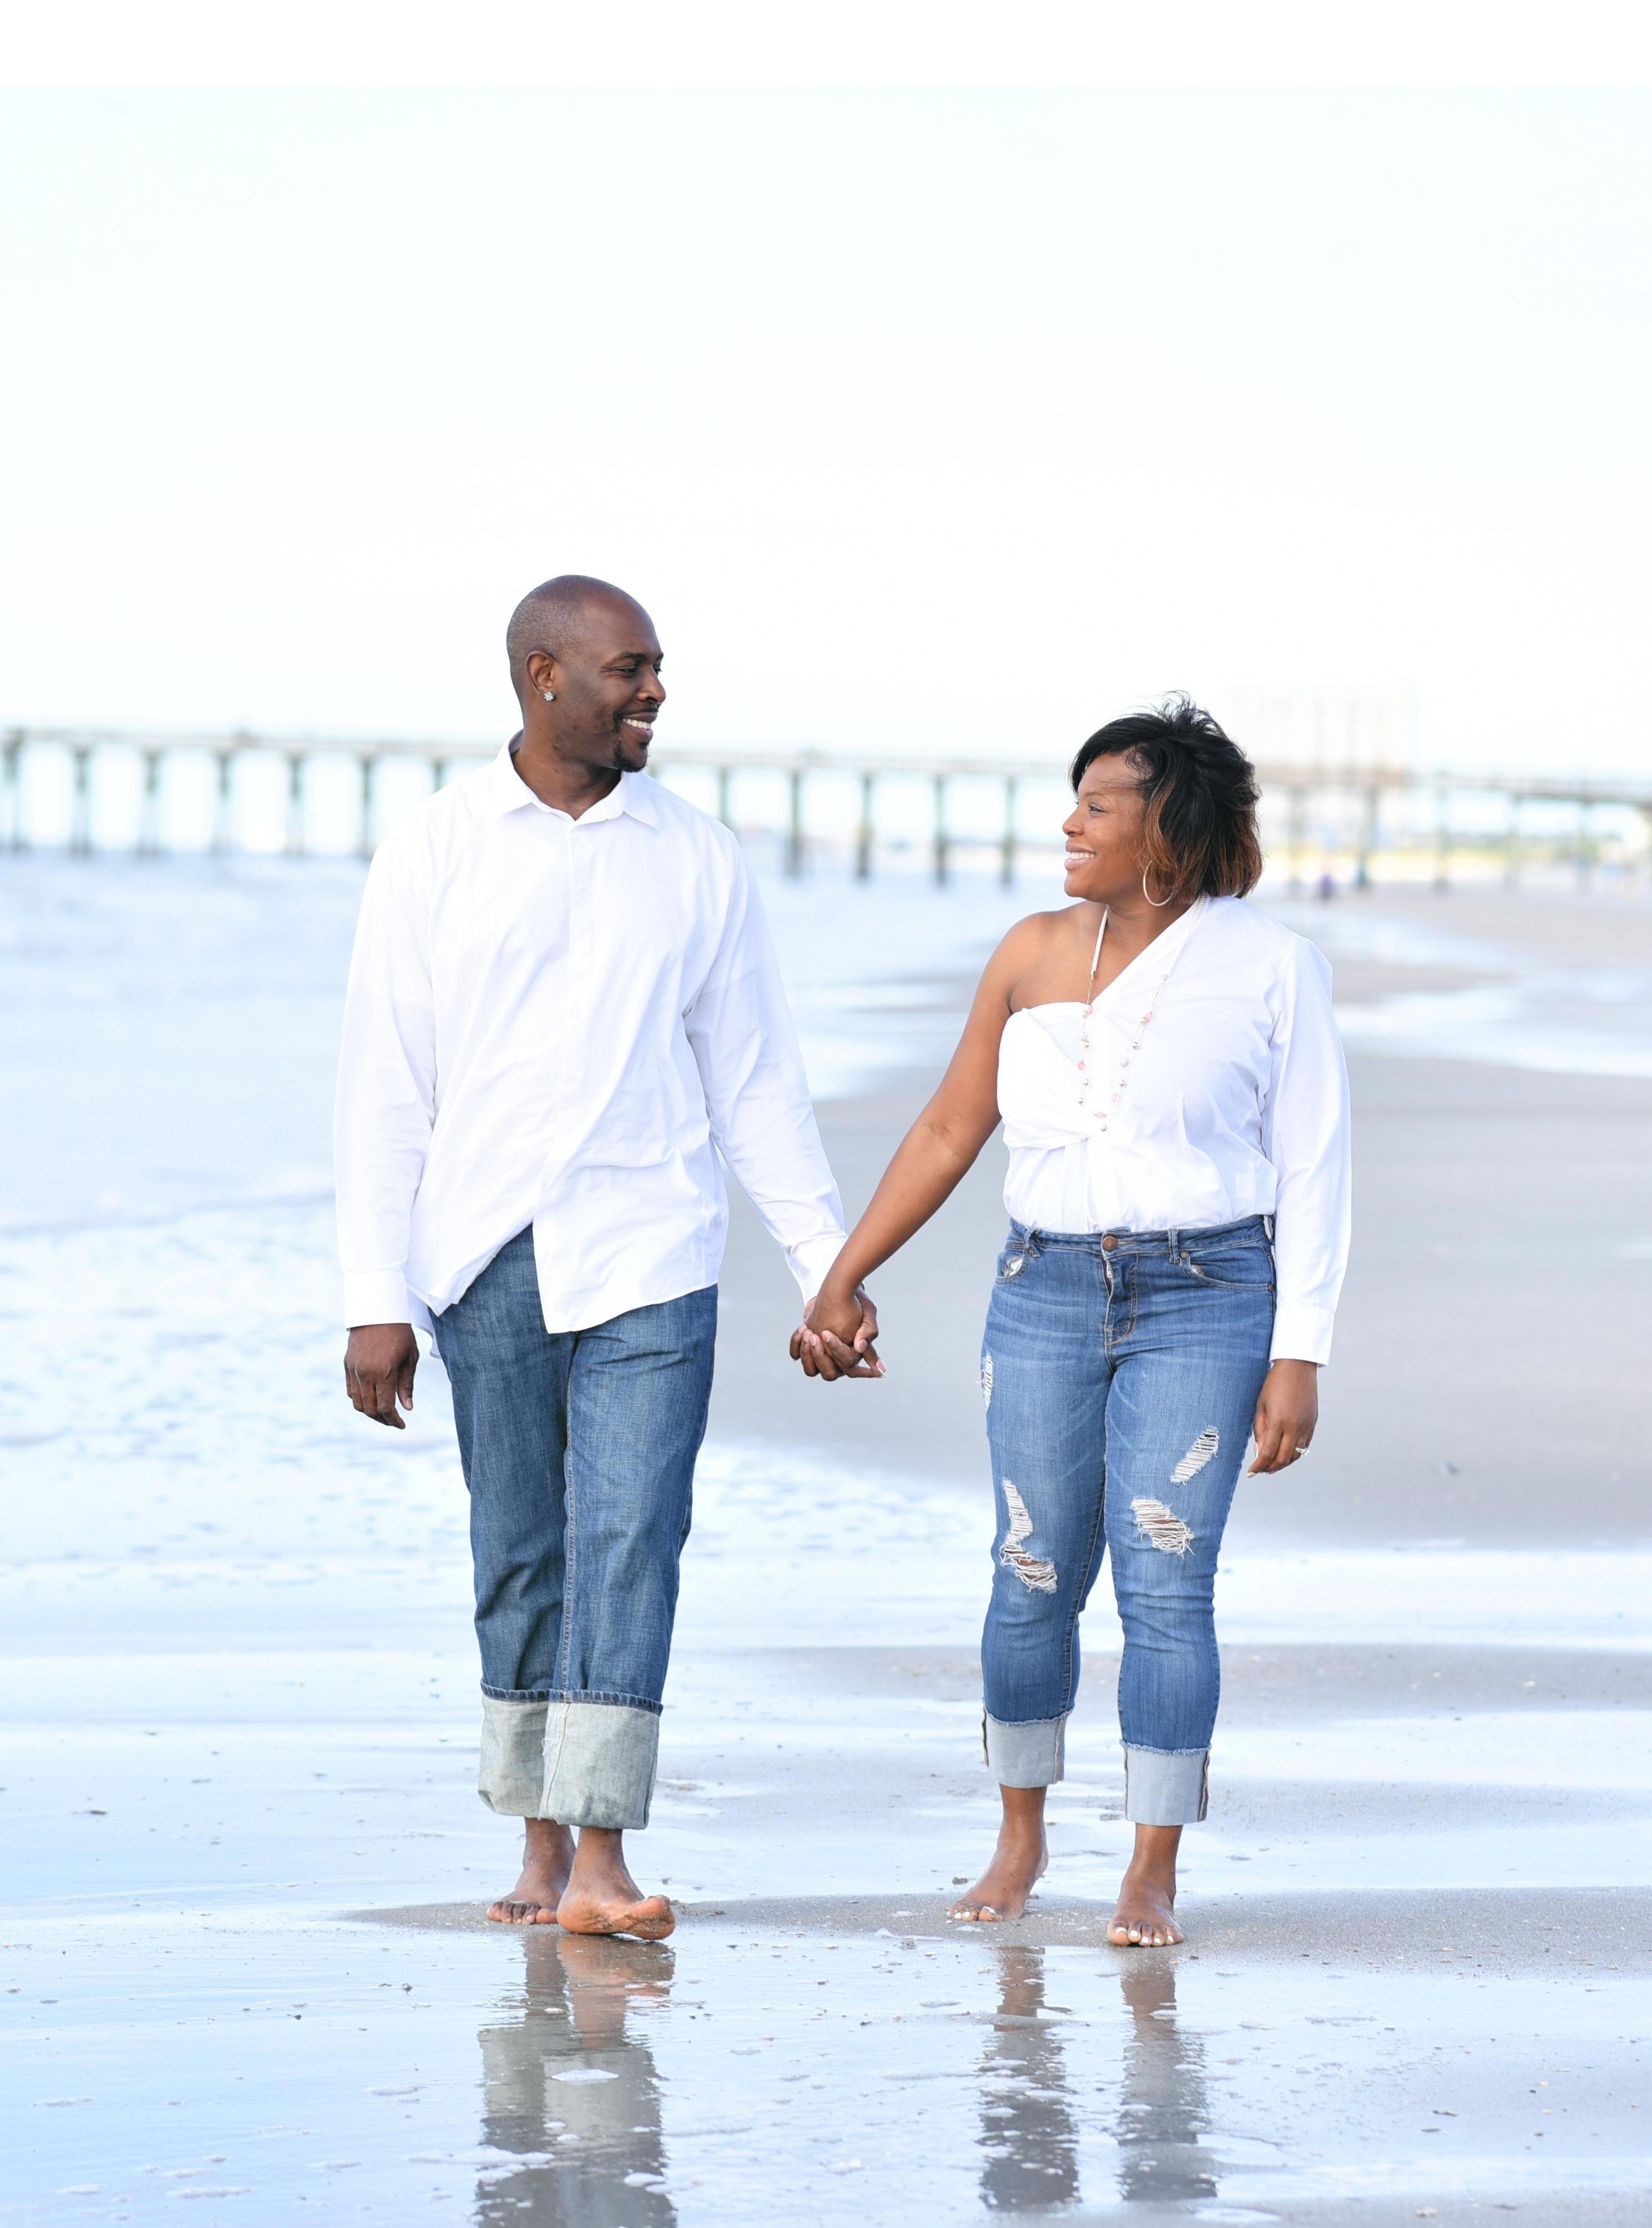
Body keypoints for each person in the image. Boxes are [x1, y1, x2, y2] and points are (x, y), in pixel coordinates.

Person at [337, 576, 849, 1942]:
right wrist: (373, 1296)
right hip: (482, 1253)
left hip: (651, 1248)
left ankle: (603, 1854)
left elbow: (752, 1078)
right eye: (630, 668)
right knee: (518, 1546)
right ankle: (538, 1835)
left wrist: (826, 1263)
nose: (655, 691)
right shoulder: (436, 847)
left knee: (632, 1534)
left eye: (656, 667)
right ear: (542, 675)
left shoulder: (697, 856)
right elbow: (383, 1082)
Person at [791, 700, 1349, 1947]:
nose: (1070, 824)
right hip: (1039, 1289)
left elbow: (1315, 1167)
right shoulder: (1030, 952)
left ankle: (1151, 1867)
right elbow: (949, 1129)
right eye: (1075, 801)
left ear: (1169, 823)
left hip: (1205, 1297)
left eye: (1097, 805)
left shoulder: (1271, 967)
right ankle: (1019, 1835)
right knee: (1030, 1566)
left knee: (1166, 1581)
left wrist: (1299, 1351)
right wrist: (843, 1275)